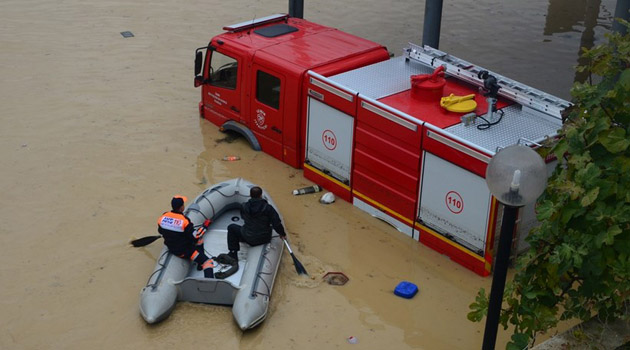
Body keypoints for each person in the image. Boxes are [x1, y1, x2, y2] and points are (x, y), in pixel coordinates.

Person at [158, 195, 215, 278]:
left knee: (198, 241)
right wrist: (205, 226)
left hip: (171, 247)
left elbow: (160, 231)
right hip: (184, 252)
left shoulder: (163, 216)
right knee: (208, 262)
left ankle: (199, 265)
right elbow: (196, 235)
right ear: (181, 208)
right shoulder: (184, 221)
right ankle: (209, 282)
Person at [226, 186, 287, 264]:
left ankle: (233, 253)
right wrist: (282, 234)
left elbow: (243, 217)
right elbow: (277, 223)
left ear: (250, 195)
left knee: (231, 227)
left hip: (247, 236)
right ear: (261, 195)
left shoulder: (244, 206)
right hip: (264, 238)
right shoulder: (268, 208)